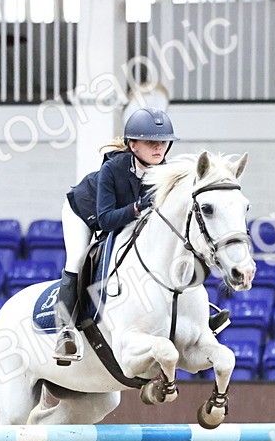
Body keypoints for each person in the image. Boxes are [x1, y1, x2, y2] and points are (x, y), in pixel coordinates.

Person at [54, 108, 226, 364]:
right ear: (133, 145)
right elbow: (106, 220)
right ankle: (65, 329)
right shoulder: (113, 169)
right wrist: (136, 208)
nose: (159, 147)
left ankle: (195, 319)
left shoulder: (165, 173)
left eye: (163, 142)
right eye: (151, 142)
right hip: (85, 212)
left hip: (123, 217)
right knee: (77, 258)